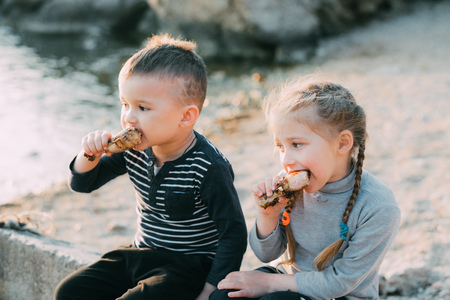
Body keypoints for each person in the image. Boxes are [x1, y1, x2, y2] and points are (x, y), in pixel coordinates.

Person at [54, 34, 248, 300]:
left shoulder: (207, 165)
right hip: (140, 253)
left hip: (187, 266)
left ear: (186, 116)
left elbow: (233, 233)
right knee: (69, 292)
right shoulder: (134, 151)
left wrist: (209, 289)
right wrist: (89, 154)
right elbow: (83, 184)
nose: (129, 118)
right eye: (125, 104)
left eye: (143, 107)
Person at [210, 75, 401, 300]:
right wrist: (268, 216)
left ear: (342, 143)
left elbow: (340, 281)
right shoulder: (290, 185)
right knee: (224, 296)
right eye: (281, 146)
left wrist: (268, 283)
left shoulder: (378, 207)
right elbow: (265, 254)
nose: (286, 160)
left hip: (340, 295)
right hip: (289, 280)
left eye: (297, 144)